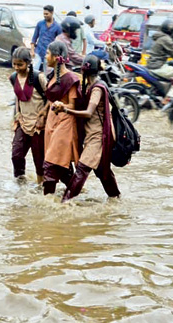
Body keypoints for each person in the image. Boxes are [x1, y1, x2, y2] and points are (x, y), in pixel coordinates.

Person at [52, 54, 119, 202]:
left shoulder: (97, 89)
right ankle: (116, 198)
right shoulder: (89, 85)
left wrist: (65, 110)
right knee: (102, 171)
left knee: (82, 169)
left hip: (99, 136)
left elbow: (88, 113)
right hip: (92, 135)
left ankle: (65, 202)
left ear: (84, 70)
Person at [41, 41, 81, 196]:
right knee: (61, 165)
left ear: (57, 57)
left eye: (47, 53)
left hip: (65, 123)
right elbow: (50, 99)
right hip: (52, 122)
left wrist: (62, 107)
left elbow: (73, 105)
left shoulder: (70, 78)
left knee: (50, 164)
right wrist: (42, 114)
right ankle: (75, 193)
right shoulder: (52, 76)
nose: (45, 57)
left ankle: (47, 202)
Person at [10, 47, 48, 184]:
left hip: (39, 125)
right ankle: (20, 182)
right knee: (16, 155)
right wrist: (16, 116)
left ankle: (41, 185)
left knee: (39, 160)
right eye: (14, 64)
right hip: (23, 122)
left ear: (28, 63)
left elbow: (51, 97)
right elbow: (17, 98)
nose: (16, 67)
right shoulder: (13, 78)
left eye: (20, 64)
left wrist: (43, 115)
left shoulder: (39, 77)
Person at [30, 5, 62, 72]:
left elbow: (60, 42)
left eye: (47, 14)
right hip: (38, 51)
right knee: (33, 70)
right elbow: (34, 38)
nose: (45, 15)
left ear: (52, 13)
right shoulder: (40, 24)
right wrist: (32, 50)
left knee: (47, 73)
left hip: (49, 54)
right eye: (44, 14)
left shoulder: (58, 27)